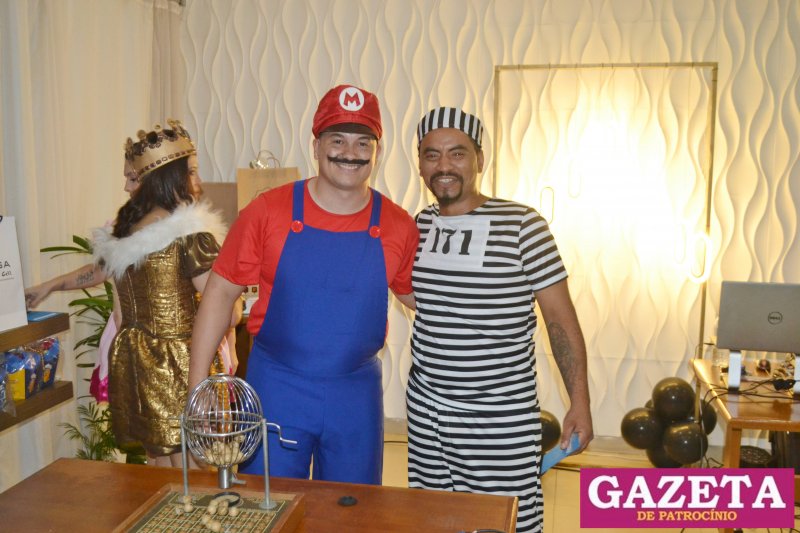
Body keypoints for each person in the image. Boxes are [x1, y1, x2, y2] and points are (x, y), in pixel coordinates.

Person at [189, 84, 419, 485]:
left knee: (352, 508)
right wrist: (198, 388)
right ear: (316, 146)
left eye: (363, 142)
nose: (350, 152)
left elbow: (419, 296)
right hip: (278, 386)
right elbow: (220, 293)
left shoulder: (399, 225)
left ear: (377, 152)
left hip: (356, 394)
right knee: (268, 501)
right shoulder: (267, 212)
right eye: (337, 140)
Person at [407, 107, 594, 533]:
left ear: (480, 159)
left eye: (457, 153)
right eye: (432, 155)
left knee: (505, 520)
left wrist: (579, 402)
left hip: (498, 417)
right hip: (427, 411)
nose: (444, 165)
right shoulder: (420, 226)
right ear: (420, 164)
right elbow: (426, 301)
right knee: (432, 518)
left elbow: (560, 321)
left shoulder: (523, 225)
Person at [25, 160, 238, 404]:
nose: (126, 187)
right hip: (148, 357)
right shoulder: (134, 233)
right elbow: (102, 269)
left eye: (133, 178)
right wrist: (49, 286)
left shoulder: (189, 238)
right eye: (191, 172)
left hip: (173, 357)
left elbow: (222, 310)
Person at [92, 119, 237, 467]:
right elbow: (226, 312)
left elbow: (120, 317)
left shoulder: (124, 238)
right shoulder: (192, 237)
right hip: (185, 360)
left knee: (159, 461)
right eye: (191, 172)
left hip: (138, 359)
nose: (198, 182)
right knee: (198, 462)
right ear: (171, 179)